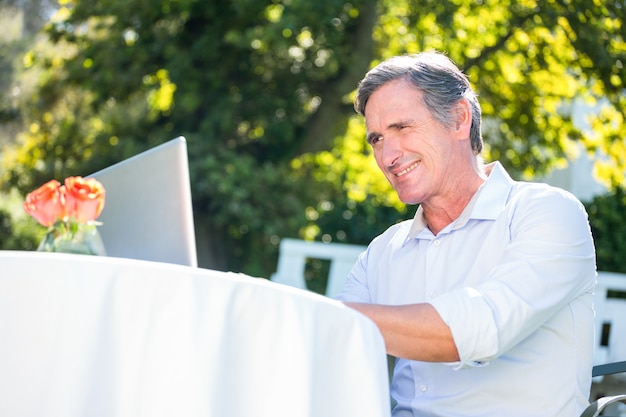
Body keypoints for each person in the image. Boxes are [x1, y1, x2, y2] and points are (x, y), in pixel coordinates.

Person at [336, 51, 597, 417]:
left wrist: (333, 318)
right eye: (377, 139)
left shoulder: (547, 212)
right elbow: (335, 348)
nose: (388, 154)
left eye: (402, 127)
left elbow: (483, 326)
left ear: (459, 119)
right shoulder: (383, 251)